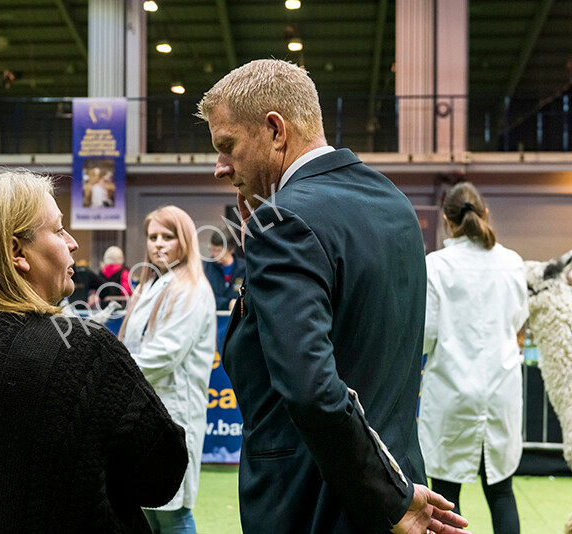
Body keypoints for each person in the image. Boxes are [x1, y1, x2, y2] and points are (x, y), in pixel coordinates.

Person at [196, 59, 469, 534]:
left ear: (275, 130)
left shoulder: (282, 224)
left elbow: (312, 392)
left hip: (315, 504)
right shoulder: (395, 204)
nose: (221, 167)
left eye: (227, 146)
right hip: (393, 489)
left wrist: (391, 500)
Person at [0, 170, 188, 533]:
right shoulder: (81, 349)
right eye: (58, 230)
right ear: (17, 252)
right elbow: (161, 475)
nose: (72, 242)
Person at [421, 182, 528, 534]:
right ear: (485, 214)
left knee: (445, 500)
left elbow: (426, 336)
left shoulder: (435, 266)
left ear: (447, 222)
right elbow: (516, 323)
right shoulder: (512, 263)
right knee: (501, 493)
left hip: (451, 395)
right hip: (501, 394)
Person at [118, 206, 216, 534]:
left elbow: (164, 355)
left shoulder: (192, 290)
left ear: (185, 241)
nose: (158, 244)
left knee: (172, 514)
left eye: (168, 236)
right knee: (146, 512)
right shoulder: (149, 287)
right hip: (144, 411)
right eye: (152, 236)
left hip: (173, 412)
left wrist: (115, 376)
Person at [203, 226, 246, 310]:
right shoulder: (204, 268)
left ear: (231, 249)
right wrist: (228, 303)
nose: (214, 254)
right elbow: (203, 298)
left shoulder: (245, 269)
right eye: (212, 249)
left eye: (219, 250)